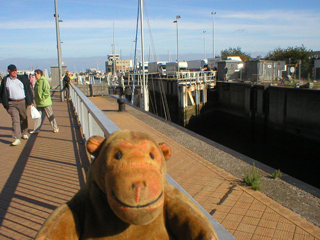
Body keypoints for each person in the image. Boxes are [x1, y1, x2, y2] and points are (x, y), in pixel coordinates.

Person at [0, 64, 33, 146]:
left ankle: (24, 132)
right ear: (9, 71)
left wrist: (30, 101)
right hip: (11, 103)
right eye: (13, 71)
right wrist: (6, 105)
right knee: (15, 120)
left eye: (15, 71)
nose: (15, 72)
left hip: (22, 102)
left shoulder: (22, 79)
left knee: (23, 118)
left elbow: (28, 90)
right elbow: (2, 93)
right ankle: (17, 138)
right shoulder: (5, 80)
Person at [31, 69, 59, 133]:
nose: (35, 76)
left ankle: (55, 127)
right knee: (38, 116)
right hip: (39, 103)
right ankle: (36, 129)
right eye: (34, 74)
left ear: (39, 74)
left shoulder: (44, 81)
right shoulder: (37, 82)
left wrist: (42, 98)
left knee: (50, 115)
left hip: (45, 102)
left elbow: (47, 91)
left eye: (36, 74)